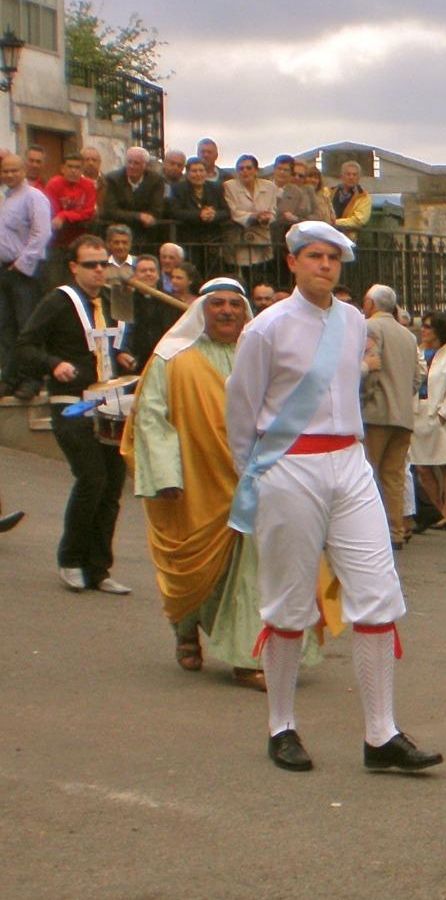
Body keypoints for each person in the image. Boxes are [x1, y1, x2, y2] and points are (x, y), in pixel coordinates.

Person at [226, 221, 442, 774]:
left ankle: (381, 733)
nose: (325, 265)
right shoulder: (265, 329)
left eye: (333, 258)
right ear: (292, 261)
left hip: (349, 460)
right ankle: (281, 725)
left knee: (377, 593)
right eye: (314, 256)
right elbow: (242, 412)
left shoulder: (352, 322)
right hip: (288, 464)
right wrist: (253, 478)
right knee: (289, 601)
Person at [123, 277, 326, 689]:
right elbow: (151, 419)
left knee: (255, 566)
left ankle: (250, 656)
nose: (228, 311)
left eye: (236, 304)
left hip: (255, 481)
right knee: (200, 570)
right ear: (202, 309)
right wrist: (166, 476)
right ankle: (186, 627)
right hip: (196, 483)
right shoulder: (172, 359)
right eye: (218, 304)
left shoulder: (258, 356)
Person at [16, 234, 136, 593]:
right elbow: (25, 347)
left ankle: (98, 569)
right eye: (90, 265)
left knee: (112, 486)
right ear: (73, 267)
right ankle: (70, 560)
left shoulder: (113, 302)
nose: (99, 270)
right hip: (71, 404)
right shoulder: (58, 301)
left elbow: (113, 345)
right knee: (92, 479)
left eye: (103, 264)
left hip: (110, 403)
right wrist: (54, 364)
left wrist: (124, 356)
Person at [359, 284, 421, 548]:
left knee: (368, 473)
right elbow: (417, 377)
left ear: (370, 304)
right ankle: (396, 530)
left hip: (376, 413)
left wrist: (365, 397)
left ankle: (371, 532)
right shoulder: (408, 336)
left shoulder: (370, 327)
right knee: (394, 476)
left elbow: (372, 366)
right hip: (403, 415)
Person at [0, 152, 53, 402]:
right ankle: (11, 377)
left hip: (25, 271)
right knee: (6, 327)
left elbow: (41, 233)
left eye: (13, 170)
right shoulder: (4, 198)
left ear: (23, 171)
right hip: (4, 270)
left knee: (27, 327)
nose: (9, 175)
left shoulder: (34, 197)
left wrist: (22, 264)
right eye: (5, 171)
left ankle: (32, 379)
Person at [411, 312, 446, 533]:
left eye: (428, 327)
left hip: (441, 414)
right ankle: (435, 509)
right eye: (422, 326)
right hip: (419, 413)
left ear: (439, 331)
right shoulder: (418, 352)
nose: (423, 330)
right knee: (422, 466)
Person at [98, 147, 167, 249]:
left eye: (136, 163)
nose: (131, 166)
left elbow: (156, 210)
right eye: (129, 162)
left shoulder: (156, 180)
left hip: (145, 235)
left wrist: (142, 217)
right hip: (118, 232)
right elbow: (110, 210)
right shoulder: (112, 179)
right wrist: (139, 216)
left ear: (145, 165)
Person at [223, 155, 278, 272]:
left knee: (262, 275)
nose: (245, 171)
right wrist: (253, 216)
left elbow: (273, 210)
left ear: (256, 170)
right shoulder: (229, 186)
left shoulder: (270, 187)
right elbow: (233, 211)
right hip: (240, 239)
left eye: (249, 168)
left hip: (263, 239)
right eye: (241, 168)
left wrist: (267, 217)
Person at [44, 152, 98, 261]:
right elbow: (52, 213)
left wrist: (64, 215)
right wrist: (74, 215)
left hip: (81, 241)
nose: (73, 170)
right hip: (57, 242)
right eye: (70, 167)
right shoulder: (53, 184)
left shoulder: (88, 185)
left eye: (77, 167)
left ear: (82, 170)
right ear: (62, 168)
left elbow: (88, 212)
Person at [170, 157, 228, 250]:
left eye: (201, 170)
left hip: (213, 240)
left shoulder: (216, 188)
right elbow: (174, 212)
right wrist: (199, 215)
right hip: (188, 241)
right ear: (187, 173)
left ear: (206, 173)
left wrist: (214, 215)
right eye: (194, 171)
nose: (198, 174)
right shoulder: (178, 189)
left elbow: (226, 211)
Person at [329, 161, 371, 237]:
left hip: (348, 238)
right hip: (327, 234)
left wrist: (334, 222)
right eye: (348, 174)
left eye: (354, 175)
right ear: (342, 176)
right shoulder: (329, 192)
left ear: (359, 178)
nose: (351, 177)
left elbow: (359, 221)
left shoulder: (364, 197)